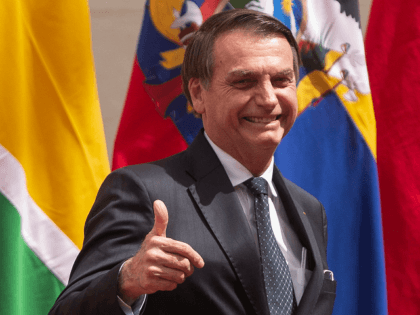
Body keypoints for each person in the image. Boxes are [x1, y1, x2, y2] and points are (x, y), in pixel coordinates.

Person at [49, 9, 336, 315]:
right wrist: (127, 281)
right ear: (198, 94)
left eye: (281, 80)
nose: (268, 98)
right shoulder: (143, 191)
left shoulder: (309, 209)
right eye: (244, 82)